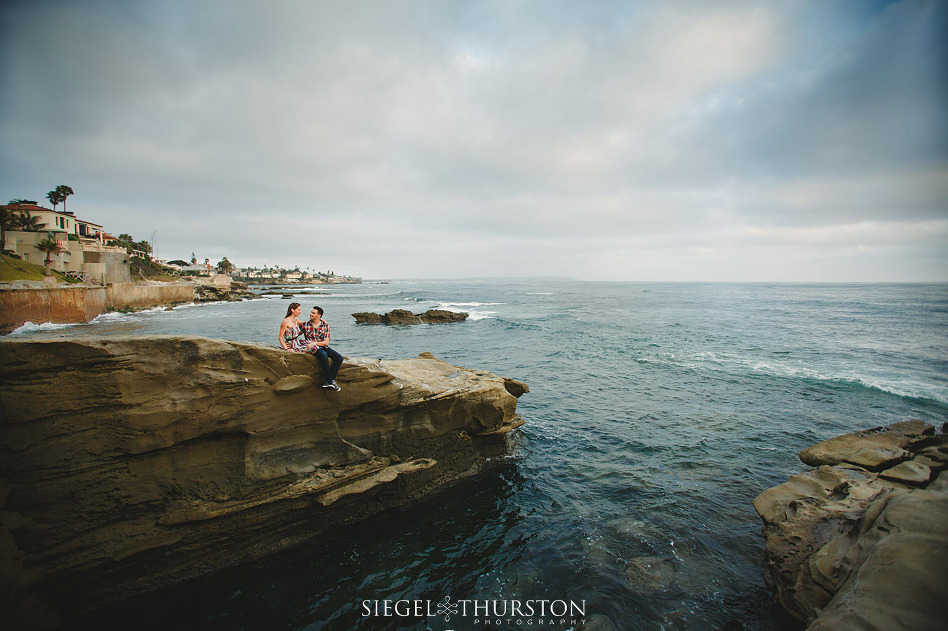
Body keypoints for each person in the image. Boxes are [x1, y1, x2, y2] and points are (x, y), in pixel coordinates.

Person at [300, 305, 343, 391]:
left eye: (313, 313)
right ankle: (331, 382)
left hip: (322, 346)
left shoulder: (325, 326)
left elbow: (326, 342)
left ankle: (328, 381)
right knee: (324, 355)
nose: (310, 314)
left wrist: (315, 342)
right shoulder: (305, 325)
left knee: (339, 358)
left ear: (319, 315)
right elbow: (294, 331)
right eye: (311, 312)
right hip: (312, 348)